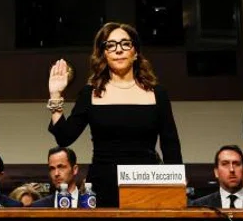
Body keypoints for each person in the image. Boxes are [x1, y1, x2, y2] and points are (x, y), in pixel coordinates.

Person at [47, 22, 182, 207]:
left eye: (125, 44)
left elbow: (171, 146)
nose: (119, 50)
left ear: (135, 52)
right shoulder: (90, 93)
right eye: (111, 45)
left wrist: (176, 186)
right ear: (104, 54)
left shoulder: (157, 94)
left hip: (147, 187)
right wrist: (56, 95)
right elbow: (65, 137)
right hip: (102, 189)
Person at [190, 145, 243, 209]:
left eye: (236, 164)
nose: (232, 169)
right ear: (216, 172)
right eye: (225, 164)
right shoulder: (200, 206)